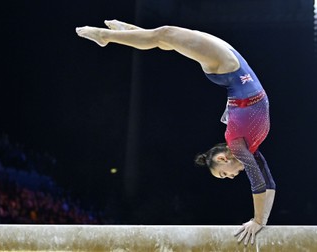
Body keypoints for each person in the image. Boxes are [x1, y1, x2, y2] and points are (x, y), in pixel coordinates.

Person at [76, 20, 276, 245]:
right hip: (230, 67)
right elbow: (262, 183)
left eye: (224, 175)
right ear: (222, 157)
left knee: (167, 38)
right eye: (224, 174)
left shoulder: (243, 145)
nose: (230, 177)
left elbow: (265, 183)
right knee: (165, 37)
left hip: (230, 70)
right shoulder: (241, 148)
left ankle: (130, 34)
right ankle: (109, 36)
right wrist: (259, 221)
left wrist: (260, 221)